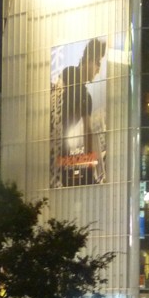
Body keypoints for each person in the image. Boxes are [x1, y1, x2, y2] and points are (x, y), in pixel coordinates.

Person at [52, 36, 107, 186]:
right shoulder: (69, 73)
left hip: (63, 147)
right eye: (97, 63)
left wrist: (90, 164)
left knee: (62, 183)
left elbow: (88, 132)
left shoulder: (87, 98)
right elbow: (55, 99)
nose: (98, 70)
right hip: (52, 139)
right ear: (88, 58)